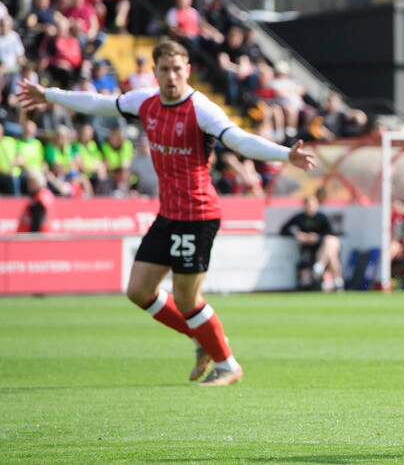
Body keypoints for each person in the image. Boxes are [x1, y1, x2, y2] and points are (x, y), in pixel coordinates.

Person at [17, 39, 316, 386]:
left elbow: (237, 140)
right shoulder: (144, 101)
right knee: (139, 291)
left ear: (187, 71)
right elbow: (97, 103)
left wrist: (284, 155)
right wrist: (49, 95)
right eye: (165, 70)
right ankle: (200, 339)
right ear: (155, 73)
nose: (172, 76)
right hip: (168, 214)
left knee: (188, 297)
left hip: (198, 213)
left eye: (177, 69)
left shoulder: (201, 108)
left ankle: (227, 365)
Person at [279, 191, 344, 291]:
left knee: (331, 242)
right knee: (332, 252)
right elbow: (283, 229)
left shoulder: (322, 217)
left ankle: (319, 268)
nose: (311, 207)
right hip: (309, 249)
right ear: (305, 205)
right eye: (308, 204)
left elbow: (331, 233)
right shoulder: (299, 217)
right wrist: (298, 235)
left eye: (313, 204)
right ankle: (338, 282)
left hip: (321, 247)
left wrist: (317, 237)